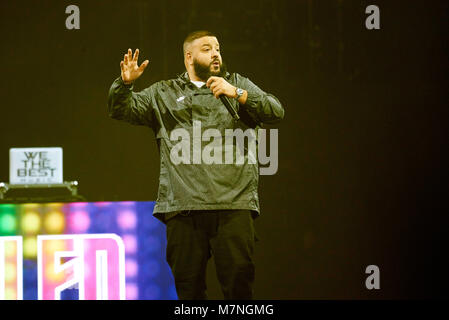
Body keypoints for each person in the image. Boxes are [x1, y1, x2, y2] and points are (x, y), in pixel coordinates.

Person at [108, 30, 284, 299]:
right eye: (207, 49)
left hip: (234, 207)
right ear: (189, 57)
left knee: (239, 291)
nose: (215, 53)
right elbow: (121, 109)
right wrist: (125, 84)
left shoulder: (237, 84)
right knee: (188, 293)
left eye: (217, 48)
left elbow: (276, 111)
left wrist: (237, 93)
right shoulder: (164, 93)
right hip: (184, 208)